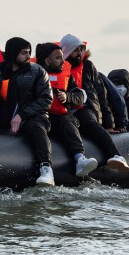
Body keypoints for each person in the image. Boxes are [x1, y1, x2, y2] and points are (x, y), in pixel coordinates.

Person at [0, 37, 56, 186]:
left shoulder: (37, 71)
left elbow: (46, 99)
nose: (28, 56)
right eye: (23, 53)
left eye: (29, 52)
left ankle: (46, 168)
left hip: (33, 116)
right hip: (3, 118)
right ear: (13, 53)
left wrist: (22, 115)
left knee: (36, 127)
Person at [58, 35, 129, 171]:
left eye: (81, 49)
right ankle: (79, 160)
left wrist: (109, 124)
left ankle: (116, 155)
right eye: (75, 50)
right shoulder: (57, 68)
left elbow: (102, 96)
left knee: (91, 125)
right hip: (64, 111)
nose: (79, 53)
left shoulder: (88, 66)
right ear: (67, 51)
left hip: (85, 108)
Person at [34, 43, 101, 178]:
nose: (63, 61)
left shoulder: (66, 76)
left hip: (59, 116)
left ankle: (80, 159)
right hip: (39, 116)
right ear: (47, 61)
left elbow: (80, 95)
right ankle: (45, 167)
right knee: (37, 126)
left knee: (66, 120)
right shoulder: (32, 74)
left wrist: (68, 97)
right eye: (58, 58)